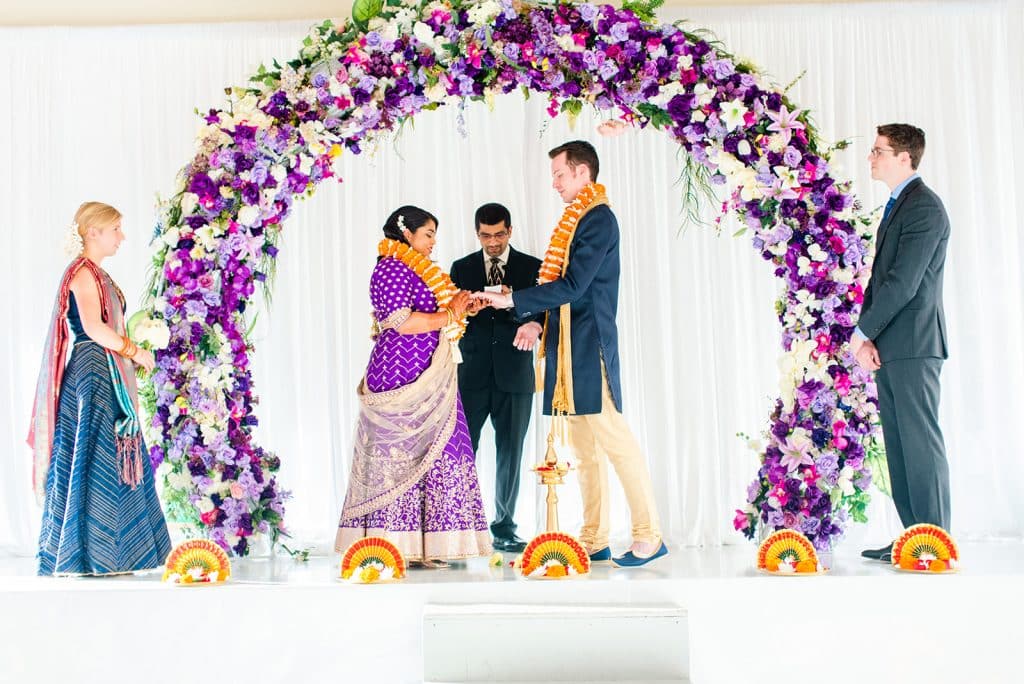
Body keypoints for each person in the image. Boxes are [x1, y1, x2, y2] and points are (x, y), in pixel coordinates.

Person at [475, 141, 667, 567]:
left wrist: (512, 299)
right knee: (583, 449)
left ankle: (649, 534)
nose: (555, 183)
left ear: (583, 172)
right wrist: (534, 322)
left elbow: (575, 286)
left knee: (616, 441)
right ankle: (594, 537)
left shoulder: (598, 219)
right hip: (565, 348)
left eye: (560, 174)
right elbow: (563, 290)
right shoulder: (577, 218)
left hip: (588, 346)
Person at [335, 206, 492, 567]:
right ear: (407, 234)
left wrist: (464, 308)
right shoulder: (390, 267)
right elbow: (400, 322)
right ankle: (393, 544)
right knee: (399, 455)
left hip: (430, 369)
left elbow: (439, 316)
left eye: (435, 234)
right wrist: (450, 313)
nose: (434, 241)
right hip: (400, 373)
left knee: (441, 449)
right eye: (428, 234)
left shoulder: (419, 268)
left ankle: (431, 546)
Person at [28, 201, 171, 576]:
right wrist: (135, 351)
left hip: (102, 369)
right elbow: (93, 327)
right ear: (93, 232)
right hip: (92, 372)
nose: (122, 237)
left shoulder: (96, 273)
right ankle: (95, 556)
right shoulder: (82, 273)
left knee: (105, 454)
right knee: (97, 455)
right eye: (116, 229)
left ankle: (114, 555)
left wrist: (127, 353)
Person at [852, 124, 951, 562]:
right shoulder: (900, 205)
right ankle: (914, 538)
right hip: (893, 345)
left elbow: (903, 283)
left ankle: (934, 543)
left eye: (879, 151)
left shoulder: (924, 207)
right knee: (900, 448)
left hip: (915, 343)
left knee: (920, 445)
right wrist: (871, 338)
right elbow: (881, 281)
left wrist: (862, 332)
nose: (871, 158)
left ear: (904, 157)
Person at [450, 203, 542, 553]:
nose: (492, 242)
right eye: (486, 235)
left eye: (499, 234)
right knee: (462, 452)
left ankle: (504, 527)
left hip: (515, 375)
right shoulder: (461, 268)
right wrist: (467, 310)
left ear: (510, 231)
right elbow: (450, 316)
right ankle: (460, 528)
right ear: (477, 234)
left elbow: (546, 311)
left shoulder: (532, 267)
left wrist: (533, 323)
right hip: (471, 375)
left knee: (511, 453)